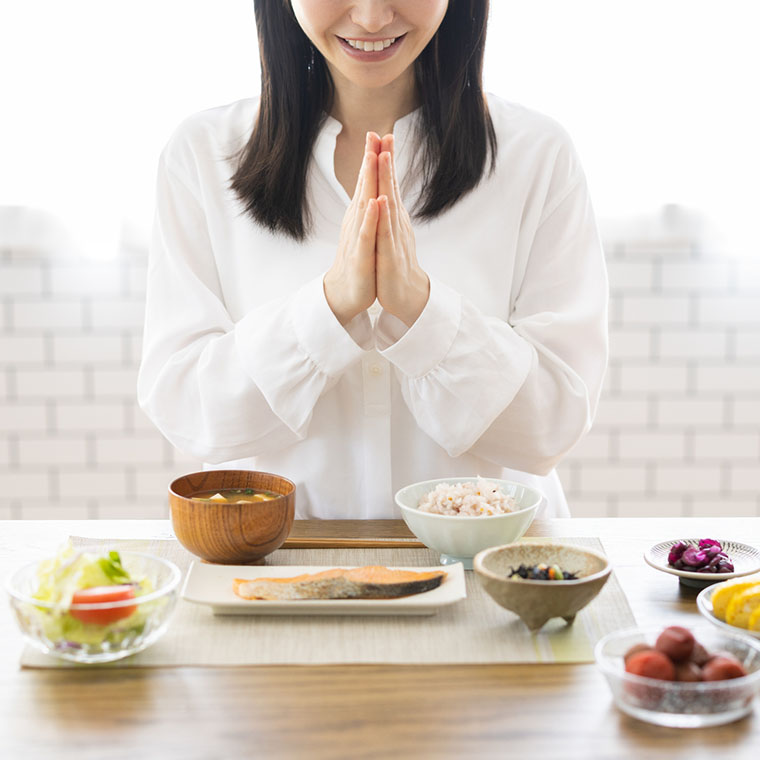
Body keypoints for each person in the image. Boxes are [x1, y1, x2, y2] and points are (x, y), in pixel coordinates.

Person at [138, 0, 608, 519]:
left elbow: (555, 425)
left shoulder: (536, 154)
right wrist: (329, 307)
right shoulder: (203, 155)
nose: (370, 17)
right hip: (281, 568)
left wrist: (422, 309)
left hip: (495, 570)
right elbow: (187, 411)